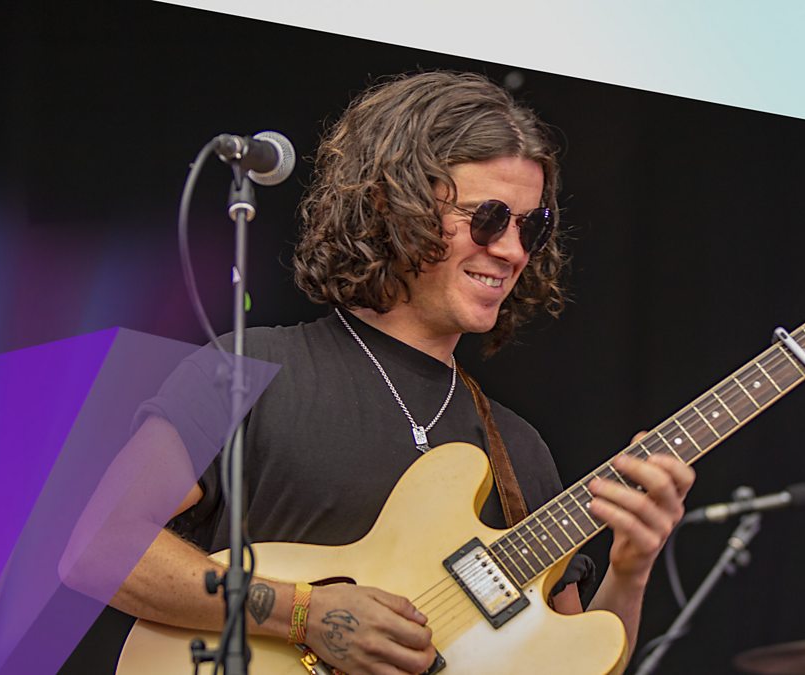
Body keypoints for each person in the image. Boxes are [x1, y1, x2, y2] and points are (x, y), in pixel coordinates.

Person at [110, 71, 695, 674]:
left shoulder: (520, 454)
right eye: (489, 218)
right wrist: (305, 614)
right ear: (394, 206)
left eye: (531, 226)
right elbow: (102, 545)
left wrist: (631, 567)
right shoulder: (249, 368)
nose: (513, 250)